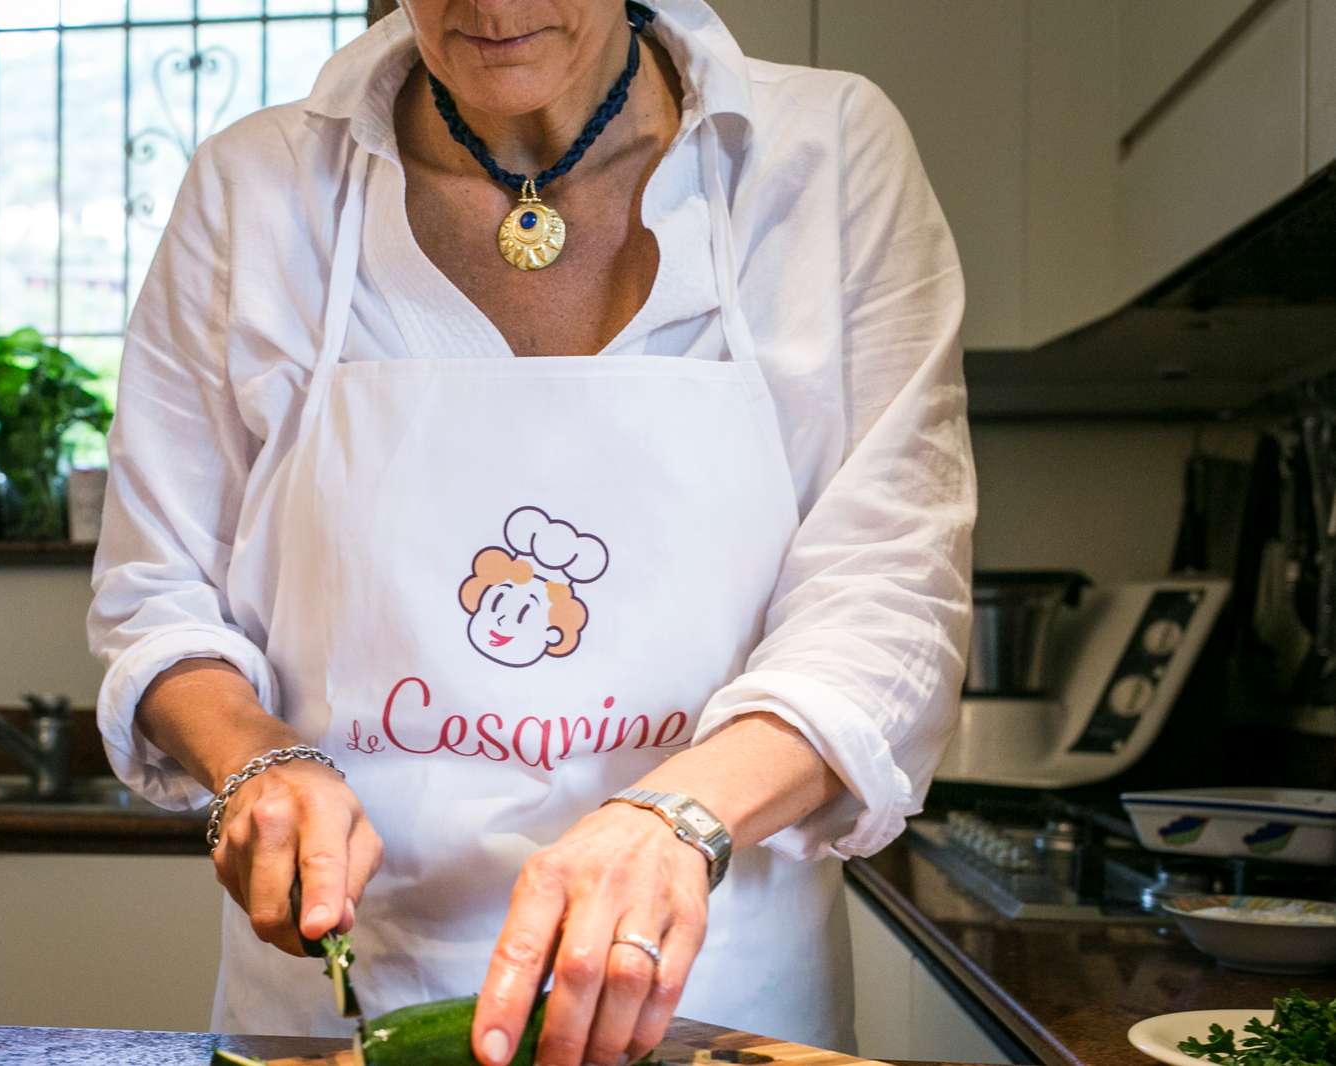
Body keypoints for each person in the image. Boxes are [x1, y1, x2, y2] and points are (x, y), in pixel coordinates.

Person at [87, 1, 975, 1062]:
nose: (493, 7)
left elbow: (893, 593)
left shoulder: (821, 157)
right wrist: (256, 759)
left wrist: (679, 820)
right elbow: (157, 590)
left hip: (710, 994)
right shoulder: (256, 187)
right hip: (341, 1003)